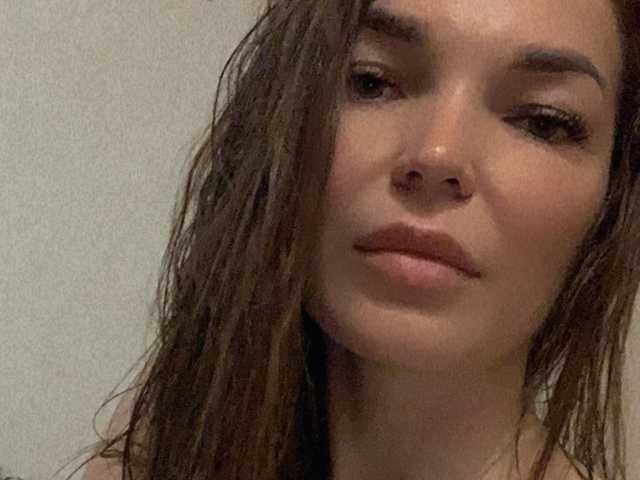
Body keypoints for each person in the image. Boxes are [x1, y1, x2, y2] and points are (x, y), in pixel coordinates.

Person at [61, 0, 640, 479]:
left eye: (542, 121)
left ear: (611, 201)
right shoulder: (164, 441)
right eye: (372, 83)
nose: (437, 154)